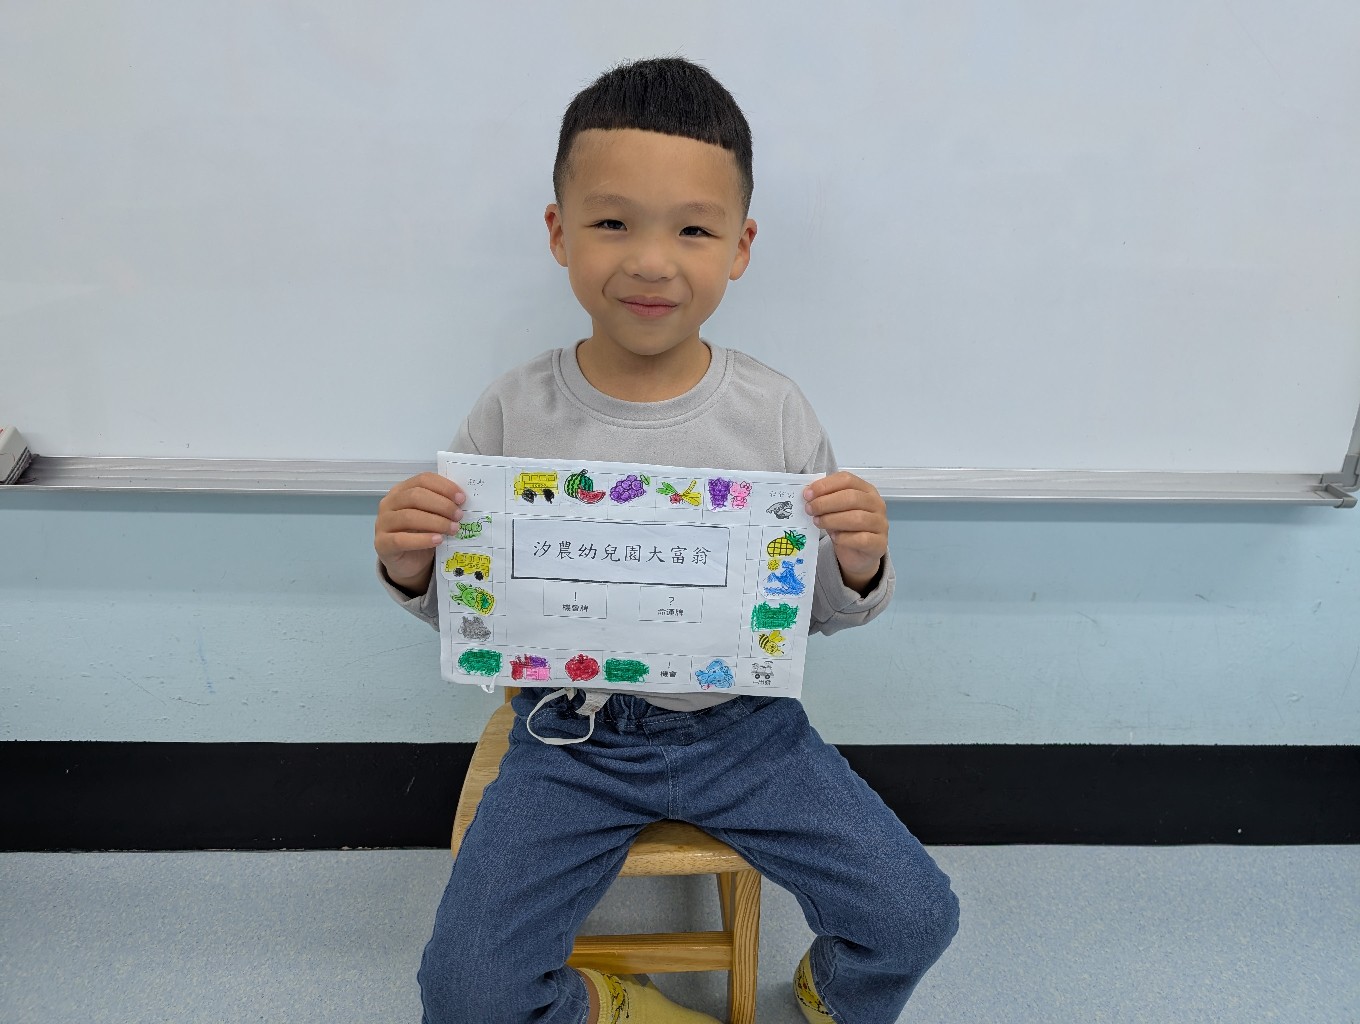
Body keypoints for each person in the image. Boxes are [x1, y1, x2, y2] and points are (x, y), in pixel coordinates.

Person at [374, 56, 958, 1024]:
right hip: (570, 735)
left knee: (914, 915)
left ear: (740, 246)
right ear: (558, 233)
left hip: (746, 730)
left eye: (692, 228)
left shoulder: (773, 412)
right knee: (466, 996)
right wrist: (409, 566)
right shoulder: (513, 409)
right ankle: (602, 1003)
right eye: (612, 222)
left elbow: (810, 613)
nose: (651, 261)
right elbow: (479, 615)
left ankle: (828, 992)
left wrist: (858, 564)